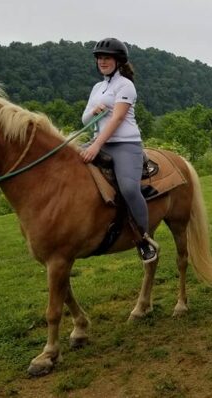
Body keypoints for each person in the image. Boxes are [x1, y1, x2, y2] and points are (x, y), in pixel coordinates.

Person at [81, 37, 159, 263]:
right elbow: (84, 118)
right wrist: (94, 111)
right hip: (99, 140)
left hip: (125, 144)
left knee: (129, 188)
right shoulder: (98, 87)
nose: (102, 62)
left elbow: (117, 119)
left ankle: (144, 240)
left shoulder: (125, 85)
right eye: (99, 58)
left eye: (107, 58)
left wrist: (95, 146)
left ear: (118, 61)